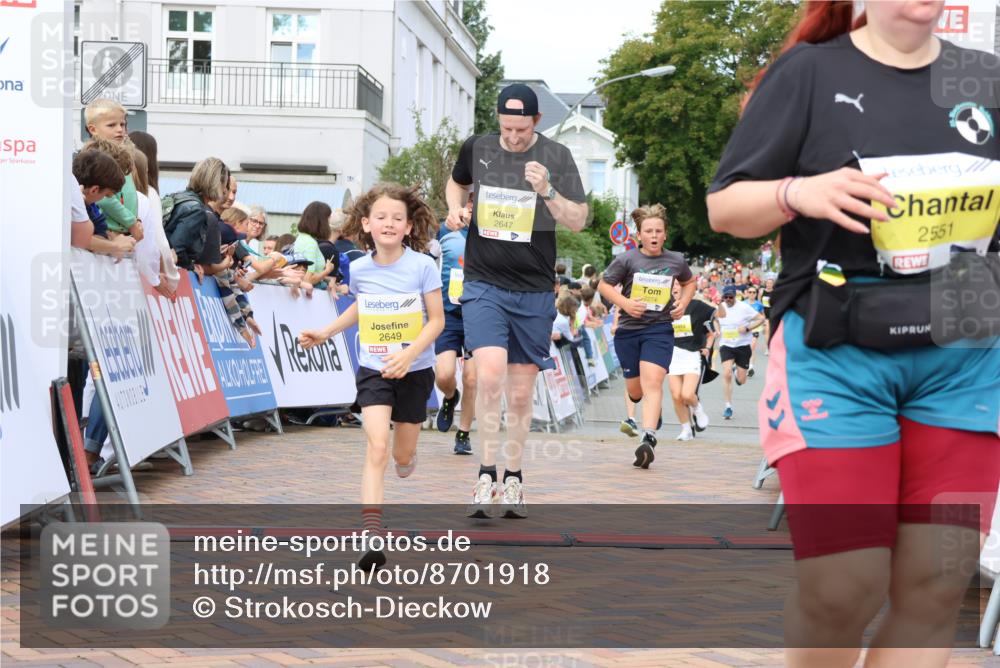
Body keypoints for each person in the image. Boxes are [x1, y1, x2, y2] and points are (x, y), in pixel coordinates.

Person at [706, 1, 999, 665]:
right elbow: (725, 206)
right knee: (844, 585)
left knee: (935, 585)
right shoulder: (808, 73)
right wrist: (796, 194)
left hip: (966, 357)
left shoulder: (986, 80)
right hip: (837, 353)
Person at [444, 82, 587, 518]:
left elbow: (579, 220)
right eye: (507, 128)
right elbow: (455, 185)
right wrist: (456, 211)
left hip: (533, 290)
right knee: (487, 377)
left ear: (537, 122)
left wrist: (548, 192)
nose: (513, 137)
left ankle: (513, 479)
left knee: (521, 395)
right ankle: (485, 474)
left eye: (521, 130)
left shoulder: (557, 156)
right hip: (484, 282)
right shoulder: (478, 147)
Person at [299, 184, 444, 571]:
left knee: (401, 454)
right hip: (374, 368)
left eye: (397, 218)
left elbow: (437, 321)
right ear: (366, 223)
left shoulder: (423, 266)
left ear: (409, 226)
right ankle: (371, 535)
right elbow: (363, 307)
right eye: (381, 217)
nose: (389, 224)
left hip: (414, 369)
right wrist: (326, 331)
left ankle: (408, 454)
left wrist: (409, 354)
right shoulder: (359, 267)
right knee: (377, 446)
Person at [598, 204, 695, 468]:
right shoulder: (627, 260)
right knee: (636, 391)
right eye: (648, 231)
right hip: (629, 331)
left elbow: (690, 283)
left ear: (665, 234)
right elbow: (603, 285)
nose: (653, 235)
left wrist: (683, 304)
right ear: (639, 235)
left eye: (658, 231)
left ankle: (648, 437)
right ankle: (651, 411)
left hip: (659, 329)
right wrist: (626, 304)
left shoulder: (676, 260)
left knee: (653, 383)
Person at [434, 221, 478, 455]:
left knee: (472, 379)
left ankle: (464, 433)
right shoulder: (444, 232)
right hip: (448, 315)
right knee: (444, 375)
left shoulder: (493, 232)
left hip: (477, 316)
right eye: (468, 201)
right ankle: (451, 396)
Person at [84, 99, 142, 242]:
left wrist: (136, 219)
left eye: (122, 124)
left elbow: (128, 195)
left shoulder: (123, 155)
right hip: (107, 233)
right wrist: (131, 222)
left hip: (125, 234)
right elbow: (103, 198)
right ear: (93, 129)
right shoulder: (95, 157)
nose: (119, 129)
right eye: (111, 125)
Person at [667, 279, 716, 441]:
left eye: (676, 285)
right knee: (676, 396)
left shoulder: (697, 306)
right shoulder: (665, 307)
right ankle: (686, 429)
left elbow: (715, 322)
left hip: (692, 354)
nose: (673, 287)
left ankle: (698, 409)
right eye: (671, 285)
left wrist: (708, 347)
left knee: (687, 394)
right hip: (673, 354)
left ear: (683, 288)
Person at [715, 285, 763, 420]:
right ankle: (728, 406)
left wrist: (748, 328)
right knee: (726, 373)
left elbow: (761, 319)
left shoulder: (744, 307)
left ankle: (738, 372)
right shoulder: (721, 307)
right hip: (726, 345)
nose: (728, 299)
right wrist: (718, 330)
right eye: (726, 297)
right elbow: (715, 320)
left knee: (741, 381)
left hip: (742, 346)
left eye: (731, 297)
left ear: (735, 296)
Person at [293, 201, 337, 288]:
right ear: (321, 221)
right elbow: (307, 280)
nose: (329, 223)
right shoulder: (310, 243)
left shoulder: (301, 238)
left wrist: (327, 279)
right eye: (327, 219)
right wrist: (327, 271)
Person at [742, 285, 765, 375]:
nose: (752, 294)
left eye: (753, 292)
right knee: (744, 348)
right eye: (750, 292)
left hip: (755, 327)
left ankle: (751, 367)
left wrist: (764, 324)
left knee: (752, 347)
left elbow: (762, 315)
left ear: (756, 294)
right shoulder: (743, 303)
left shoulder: (759, 304)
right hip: (745, 328)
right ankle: (742, 364)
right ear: (747, 293)